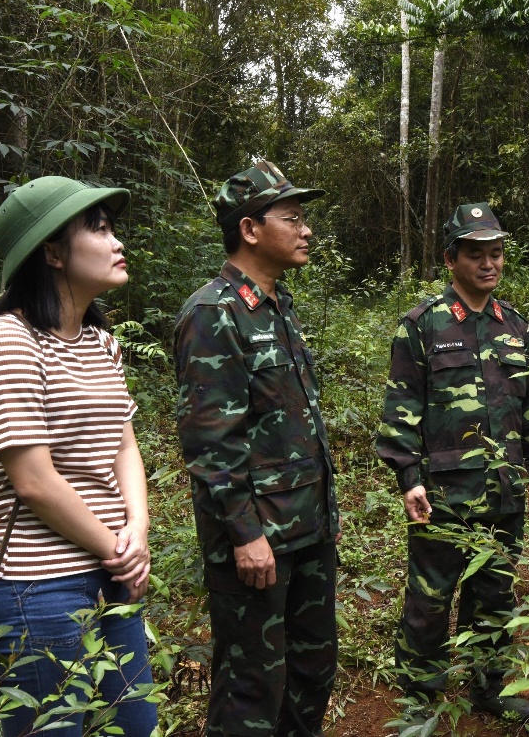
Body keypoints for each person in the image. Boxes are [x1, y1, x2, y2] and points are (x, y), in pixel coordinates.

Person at [0, 176, 157, 737]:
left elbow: (124, 444)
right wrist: (118, 550)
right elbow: (34, 482)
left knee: (135, 725)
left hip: (113, 569)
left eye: (112, 227)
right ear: (51, 252)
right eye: (97, 228)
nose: (117, 241)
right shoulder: (5, 341)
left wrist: (137, 529)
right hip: (39, 590)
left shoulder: (100, 342)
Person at [173, 161, 340, 737]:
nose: (306, 230)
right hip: (257, 540)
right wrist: (245, 535)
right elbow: (211, 444)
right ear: (250, 229)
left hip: (308, 527)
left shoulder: (277, 304)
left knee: (313, 668)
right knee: (252, 684)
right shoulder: (212, 313)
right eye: (292, 218)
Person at [376, 202, 529, 728]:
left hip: (505, 489)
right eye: (475, 254)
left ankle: (489, 687)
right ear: (451, 258)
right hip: (445, 493)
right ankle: (420, 694)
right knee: (430, 597)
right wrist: (408, 477)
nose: (488, 264)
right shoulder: (422, 325)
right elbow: (400, 407)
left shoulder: (515, 325)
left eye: (495, 253)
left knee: (496, 593)